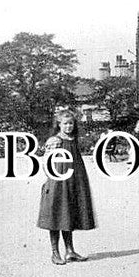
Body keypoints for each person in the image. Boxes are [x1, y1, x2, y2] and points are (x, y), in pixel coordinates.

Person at [37, 109, 97, 265]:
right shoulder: (54, 141)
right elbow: (46, 161)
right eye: (65, 123)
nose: (68, 126)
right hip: (58, 181)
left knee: (68, 214)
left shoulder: (73, 139)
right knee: (56, 215)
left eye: (71, 123)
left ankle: (70, 251)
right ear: (59, 124)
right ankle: (55, 253)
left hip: (74, 181)